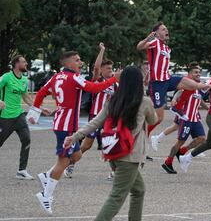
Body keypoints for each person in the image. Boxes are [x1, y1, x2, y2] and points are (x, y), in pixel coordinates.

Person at [64, 66, 158, 221]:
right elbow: (153, 120)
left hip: (114, 152)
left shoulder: (113, 100)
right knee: (116, 197)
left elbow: (95, 122)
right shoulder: (145, 102)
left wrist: (75, 137)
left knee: (139, 190)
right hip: (130, 157)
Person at [32, 51, 120, 214]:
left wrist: (35, 110)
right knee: (63, 161)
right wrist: (115, 79)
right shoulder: (74, 77)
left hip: (64, 124)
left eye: (80, 59)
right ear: (68, 64)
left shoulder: (56, 77)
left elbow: (42, 92)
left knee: (77, 155)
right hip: (65, 126)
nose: (80, 62)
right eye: (77, 60)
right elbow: (94, 89)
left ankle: (47, 175)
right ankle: (46, 194)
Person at [137, 22, 211, 135]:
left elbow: (155, 64)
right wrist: (147, 39)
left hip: (168, 79)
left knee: (192, 85)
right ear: (156, 33)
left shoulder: (166, 48)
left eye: (166, 29)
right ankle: (143, 134)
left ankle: (208, 87)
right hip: (158, 84)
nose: (166, 30)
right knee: (159, 118)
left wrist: (148, 74)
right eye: (163, 29)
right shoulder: (154, 42)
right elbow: (139, 46)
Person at [64, 43, 117, 179]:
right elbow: (96, 67)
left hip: (109, 117)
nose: (111, 70)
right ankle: (71, 163)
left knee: (110, 143)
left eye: (112, 68)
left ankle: (115, 171)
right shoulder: (97, 80)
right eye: (108, 68)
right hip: (96, 116)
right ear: (102, 71)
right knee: (87, 145)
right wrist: (102, 50)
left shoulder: (115, 84)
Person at [0, 55, 51, 180]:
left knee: (26, 140)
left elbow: (27, 98)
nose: (26, 63)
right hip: (5, 117)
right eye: (24, 62)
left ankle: (21, 171)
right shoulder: (6, 77)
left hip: (19, 116)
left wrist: (40, 108)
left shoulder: (23, 79)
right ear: (17, 64)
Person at [161, 65, 208, 174]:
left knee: (201, 138)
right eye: (196, 72)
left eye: (199, 72)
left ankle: (182, 151)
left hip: (195, 118)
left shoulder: (198, 87)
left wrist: (208, 108)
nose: (198, 74)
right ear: (190, 74)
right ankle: (168, 162)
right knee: (180, 141)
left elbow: (199, 100)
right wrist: (173, 99)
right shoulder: (187, 84)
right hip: (186, 118)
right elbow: (178, 92)